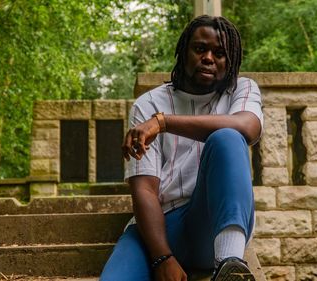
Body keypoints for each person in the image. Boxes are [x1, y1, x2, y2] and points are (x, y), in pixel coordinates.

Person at [100, 15, 263, 281]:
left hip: (211, 226)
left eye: (219, 53)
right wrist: (162, 257)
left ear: (230, 60)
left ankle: (230, 265)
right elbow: (144, 188)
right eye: (200, 49)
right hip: (160, 226)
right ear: (184, 51)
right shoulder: (149, 104)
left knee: (228, 137)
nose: (209, 58)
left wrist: (163, 123)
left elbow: (248, 128)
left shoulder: (240, 90)